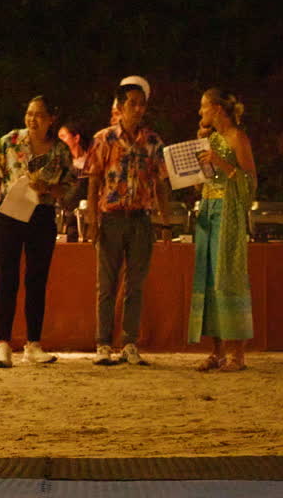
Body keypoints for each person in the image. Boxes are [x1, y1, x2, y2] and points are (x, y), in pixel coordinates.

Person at [0, 95, 76, 368]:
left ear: (51, 119)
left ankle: (33, 343)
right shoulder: (10, 141)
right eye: (29, 113)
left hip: (41, 214)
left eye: (39, 115)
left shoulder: (59, 150)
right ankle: (3, 344)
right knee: (6, 279)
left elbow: (69, 187)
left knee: (37, 280)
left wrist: (47, 188)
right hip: (8, 213)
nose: (32, 119)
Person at [87, 82, 168, 367]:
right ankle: (103, 343)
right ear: (120, 107)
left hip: (141, 218)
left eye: (142, 103)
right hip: (110, 217)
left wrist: (165, 221)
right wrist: (92, 220)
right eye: (132, 103)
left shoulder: (153, 141)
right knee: (106, 285)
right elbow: (93, 180)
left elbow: (161, 183)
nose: (138, 108)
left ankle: (129, 342)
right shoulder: (104, 139)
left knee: (136, 284)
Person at [190, 88, 256, 372]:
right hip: (208, 209)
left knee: (227, 277)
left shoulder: (237, 138)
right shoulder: (210, 139)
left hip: (229, 213)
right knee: (208, 277)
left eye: (204, 106)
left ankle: (236, 353)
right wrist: (197, 167)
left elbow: (250, 182)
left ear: (217, 108)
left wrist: (221, 163)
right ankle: (216, 350)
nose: (200, 112)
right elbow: (201, 183)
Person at [57, 120, 90, 241]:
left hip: (88, 218)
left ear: (76, 138)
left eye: (63, 137)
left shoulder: (92, 161)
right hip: (67, 220)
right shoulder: (60, 165)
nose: (60, 142)